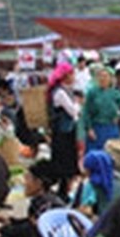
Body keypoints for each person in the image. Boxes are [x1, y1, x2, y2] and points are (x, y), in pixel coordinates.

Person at [46, 62, 81, 199]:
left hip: (65, 130)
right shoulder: (60, 92)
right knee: (64, 161)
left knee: (64, 160)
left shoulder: (64, 90)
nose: (74, 77)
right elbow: (72, 111)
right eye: (72, 74)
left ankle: (63, 189)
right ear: (65, 76)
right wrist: (78, 103)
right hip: (63, 132)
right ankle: (63, 191)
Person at [82, 66, 120, 154]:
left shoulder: (115, 93)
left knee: (111, 155)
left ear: (111, 79)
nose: (103, 78)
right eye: (101, 76)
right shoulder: (92, 92)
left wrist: (119, 117)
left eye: (106, 76)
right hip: (96, 128)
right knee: (96, 154)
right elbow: (86, 111)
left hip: (111, 128)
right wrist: (89, 128)